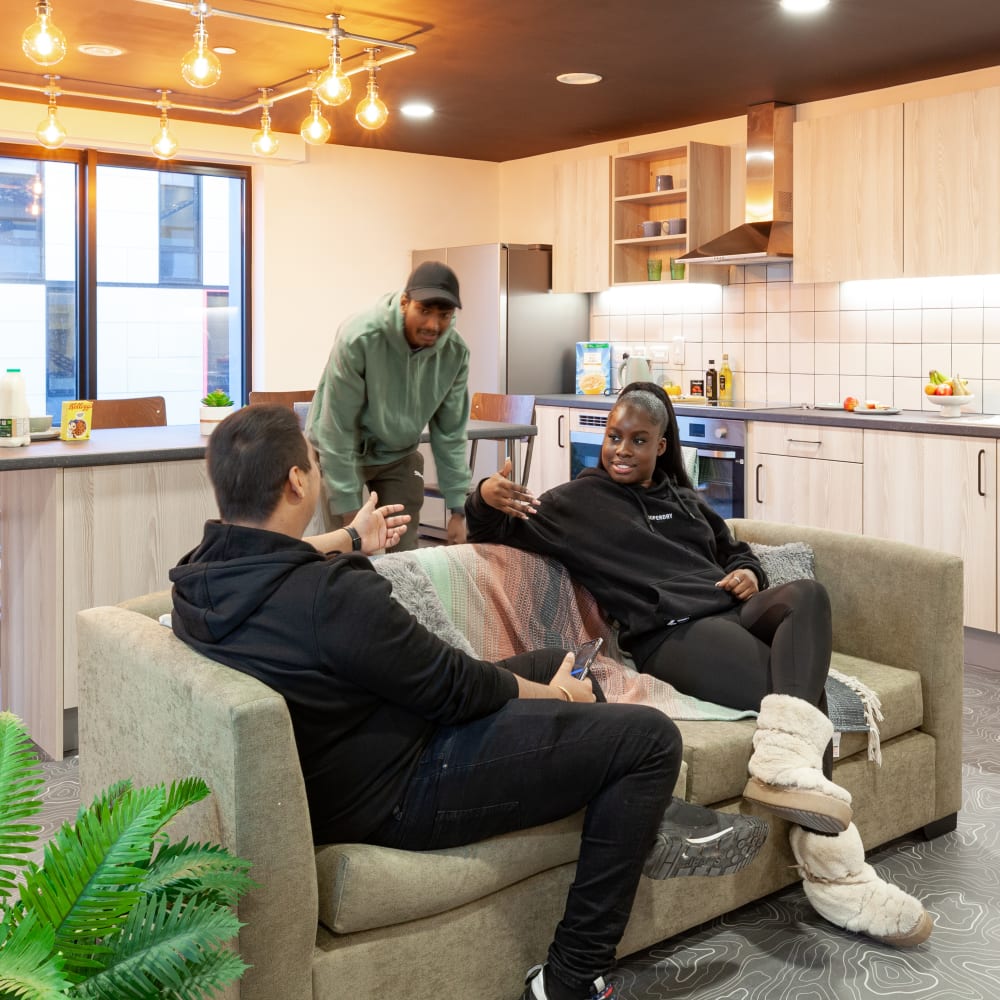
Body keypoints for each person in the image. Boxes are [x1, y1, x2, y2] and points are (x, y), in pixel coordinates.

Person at [170, 404, 768, 1000]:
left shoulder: (202, 580)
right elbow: (452, 686)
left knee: (553, 657)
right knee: (649, 738)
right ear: (297, 481)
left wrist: (351, 537)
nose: (321, 472)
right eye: (315, 463)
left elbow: (280, 560)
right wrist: (554, 695)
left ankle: (639, 812)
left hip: (358, 757)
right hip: (401, 786)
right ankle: (570, 979)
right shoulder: (332, 597)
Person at [466, 381, 933, 948]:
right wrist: (483, 495)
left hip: (731, 611)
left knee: (808, 596)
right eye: (613, 436)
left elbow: (734, 549)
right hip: (674, 634)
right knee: (805, 695)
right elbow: (494, 531)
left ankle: (787, 778)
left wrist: (749, 574)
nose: (621, 450)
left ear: (661, 446)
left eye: (639, 440)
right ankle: (839, 876)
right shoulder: (575, 503)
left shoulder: (685, 502)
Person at [306, 260, 471, 551]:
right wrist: (351, 523)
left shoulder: (454, 353)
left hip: (398, 455)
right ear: (405, 303)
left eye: (444, 315)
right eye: (424, 311)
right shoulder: (360, 338)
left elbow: (450, 433)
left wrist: (458, 509)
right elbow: (338, 429)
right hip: (341, 452)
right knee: (340, 555)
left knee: (404, 556)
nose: (433, 325)